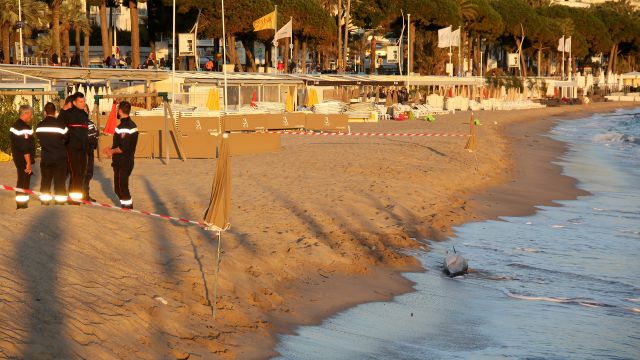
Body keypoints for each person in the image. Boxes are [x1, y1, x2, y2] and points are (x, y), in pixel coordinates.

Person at [103, 101, 138, 209]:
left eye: (117, 109)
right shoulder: (125, 125)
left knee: (121, 188)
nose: (116, 112)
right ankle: (126, 205)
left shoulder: (126, 127)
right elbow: (120, 144)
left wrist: (111, 151)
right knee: (119, 188)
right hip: (121, 161)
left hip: (124, 162)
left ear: (121, 111)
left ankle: (128, 207)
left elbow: (123, 147)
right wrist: (111, 148)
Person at [58, 92, 90, 202]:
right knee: (75, 174)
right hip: (72, 149)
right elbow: (59, 125)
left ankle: (75, 197)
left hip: (83, 149)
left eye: (84, 101)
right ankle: (73, 200)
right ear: (74, 102)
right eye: (81, 102)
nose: (83, 103)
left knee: (81, 174)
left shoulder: (85, 114)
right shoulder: (68, 113)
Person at [35, 102, 69, 205]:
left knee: (45, 182)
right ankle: (60, 203)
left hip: (46, 158)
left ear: (45, 112)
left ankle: (45, 202)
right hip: (60, 158)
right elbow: (67, 139)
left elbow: (39, 137)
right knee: (60, 183)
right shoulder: (62, 126)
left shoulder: (39, 126)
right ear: (55, 112)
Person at [9, 105, 36, 209]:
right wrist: (28, 163)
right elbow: (25, 147)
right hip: (23, 159)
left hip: (17, 158)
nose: (32, 116)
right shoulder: (24, 128)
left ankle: (21, 204)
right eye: (30, 114)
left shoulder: (15, 125)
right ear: (25, 113)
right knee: (24, 182)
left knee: (21, 180)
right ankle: (22, 206)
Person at [83, 104, 98, 202]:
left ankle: (86, 194)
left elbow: (96, 137)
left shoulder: (91, 123)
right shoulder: (75, 123)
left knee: (88, 174)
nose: (84, 112)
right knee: (79, 174)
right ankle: (79, 195)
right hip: (79, 153)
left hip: (89, 152)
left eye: (85, 110)